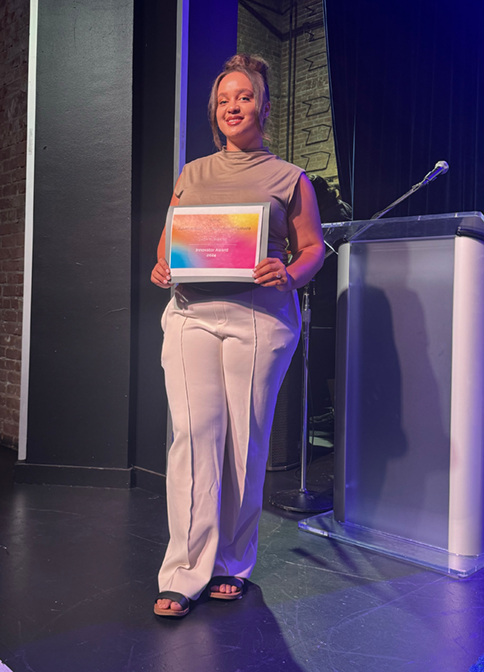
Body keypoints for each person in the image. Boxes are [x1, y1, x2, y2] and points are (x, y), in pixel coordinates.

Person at [151, 54, 324, 618]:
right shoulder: (193, 172)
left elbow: (312, 247)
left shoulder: (288, 177)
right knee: (193, 438)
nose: (233, 106)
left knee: (243, 444)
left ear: (263, 106)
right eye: (224, 99)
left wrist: (291, 272)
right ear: (214, 111)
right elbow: (168, 243)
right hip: (191, 314)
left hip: (259, 319)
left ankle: (231, 563)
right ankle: (183, 570)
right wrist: (162, 267)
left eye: (244, 96)